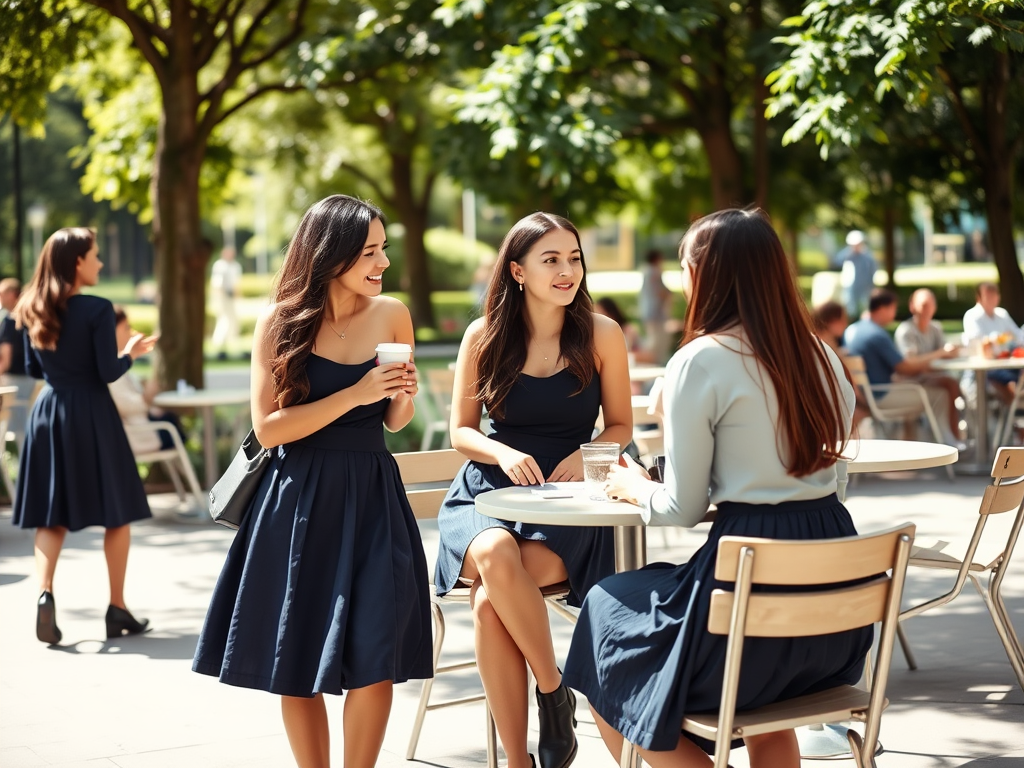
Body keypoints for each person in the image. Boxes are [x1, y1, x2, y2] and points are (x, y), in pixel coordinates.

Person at [562, 209, 869, 768]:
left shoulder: (700, 361)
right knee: (763, 700)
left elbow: (681, 508)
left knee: (605, 618)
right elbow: (826, 478)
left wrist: (631, 486)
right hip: (830, 617)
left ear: (704, 273)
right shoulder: (823, 356)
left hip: (747, 585)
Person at [193, 195, 433, 768]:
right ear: (332, 255)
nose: (383, 263)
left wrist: (402, 393)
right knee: (294, 654)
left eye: (384, 250)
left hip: (374, 492)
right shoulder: (279, 323)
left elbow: (395, 422)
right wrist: (355, 393)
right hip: (297, 499)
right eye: (370, 251)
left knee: (376, 648)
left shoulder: (392, 313)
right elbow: (270, 428)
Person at [434, 212, 633, 768]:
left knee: (488, 606)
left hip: (568, 501)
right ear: (518, 270)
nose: (567, 270)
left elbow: (620, 427)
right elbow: (462, 431)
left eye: (574, 258)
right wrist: (501, 452)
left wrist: (584, 455)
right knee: (495, 553)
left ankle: (521, 762)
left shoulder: (601, 333)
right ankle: (554, 690)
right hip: (488, 491)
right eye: (551, 260)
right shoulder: (484, 336)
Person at [12, 227, 157, 645]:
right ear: (77, 261)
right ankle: (116, 607)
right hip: (92, 412)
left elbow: (35, 370)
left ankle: (45, 594)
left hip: (50, 412)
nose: (100, 262)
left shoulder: (30, 307)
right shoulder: (97, 309)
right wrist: (129, 352)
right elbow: (108, 373)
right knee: (117, 510)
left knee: (50, 514)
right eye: (94, 255)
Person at [845, 289, 959, 443]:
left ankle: (918, 442)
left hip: (863, 394)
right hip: (881, 395)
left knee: (934, 387)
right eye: (893, 309)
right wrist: (941, 353)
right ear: (884, 308)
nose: (895, 313)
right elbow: (904, 367)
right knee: (940, 395)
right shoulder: (877, 334)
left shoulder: (853, 329)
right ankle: (948, 445)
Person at [109, 305, 186, 454]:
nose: (130, 332)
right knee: (174, 427)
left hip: (142, 426)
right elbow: (127, 405)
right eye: (126, 327)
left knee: (171, 420)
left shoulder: (116, 365)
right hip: (138, 434)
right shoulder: (112, 370)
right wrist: (147, 397)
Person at [895, 288, 963, 440]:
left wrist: (953, 351)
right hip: (911, 382)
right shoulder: (906, 331)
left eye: (931, 305)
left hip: (931, 377)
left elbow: (945, 354)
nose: (928, 310)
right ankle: (952, 438)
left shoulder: (935, 328)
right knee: (950, 386)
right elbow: (910, 364)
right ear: (913, 306)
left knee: (953, 385)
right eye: (924, 305)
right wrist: (941, 353)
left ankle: (953, 438)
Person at [810, 301, 870, 431]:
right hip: (830, 402)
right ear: (831, 321)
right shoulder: (825, 345)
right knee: (861, 411)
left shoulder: (823, 341)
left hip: (828, 399)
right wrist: (863, 400)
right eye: (842, 320)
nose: (845, 324)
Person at [962, 282, 1024, 405]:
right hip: (986, 371)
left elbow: (1018, 336)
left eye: (994, 295)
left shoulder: (1002, 314)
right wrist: (1000, 339)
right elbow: (979, 343)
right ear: (979, 298)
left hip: (1007, 364)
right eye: (988, 296)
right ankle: (1013, 413)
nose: (992, 299)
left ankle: (1015, 412)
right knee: (1007, 383)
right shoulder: (972, 316)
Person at [0, 278, 36, 452]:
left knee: (18, 430)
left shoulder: (9, 321)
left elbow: (5, 360)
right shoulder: (31, 317)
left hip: (14, 382)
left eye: (2, 293)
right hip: (33, 378)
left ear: (12, 294)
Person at [638, 249, 673, 364]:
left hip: (650, 310)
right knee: (657, 338)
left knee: (654, 337)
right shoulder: (654, 272)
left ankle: (653, 359)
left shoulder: (647, 271)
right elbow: (660, 291)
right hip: (655, 311)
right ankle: (654, 360)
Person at [209, 245, 242, 359]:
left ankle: (230, 341)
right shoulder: (220, 265)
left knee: (232, 320)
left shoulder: (235, 266)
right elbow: (217, 284)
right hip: (222, 297)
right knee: (224, 319)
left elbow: (236, 283)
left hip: (230, 297)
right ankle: (219, 342)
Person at [834, 230, 876, 318]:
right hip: (850, 286)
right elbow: (837, 261)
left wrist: (871, 284)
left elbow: (872, 269)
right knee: (850, 307)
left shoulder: (867, 255)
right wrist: (850, 253)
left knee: (865, 307)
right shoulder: (847, 254)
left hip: (865, 285)